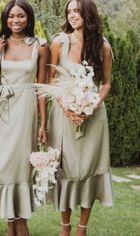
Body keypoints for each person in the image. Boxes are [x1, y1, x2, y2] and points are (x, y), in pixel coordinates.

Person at [48, 0, 113, 235]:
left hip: (93, 116)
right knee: (65, 167)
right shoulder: (59, 42)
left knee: (89, 168)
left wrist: (91, 107)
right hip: (63, 113)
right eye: (69, 12)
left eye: (77, 11)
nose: (72, 15)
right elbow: (52, 79)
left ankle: (82, 228)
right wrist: (67, 106)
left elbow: (105, 84)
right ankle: (64, 228)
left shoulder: (102, 46)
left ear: (88, 13)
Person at [0, 0, 49, 235]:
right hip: (3, 110)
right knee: (3, 165)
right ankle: (10, 224)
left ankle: (21, 222)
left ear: (28, 18)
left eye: (21, 16)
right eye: (11, 16)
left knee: (21, 165)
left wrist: (43, 123)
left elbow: (41, 87)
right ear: (5, 19)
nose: (15, 20)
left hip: (25, 110)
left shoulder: (40, 45)